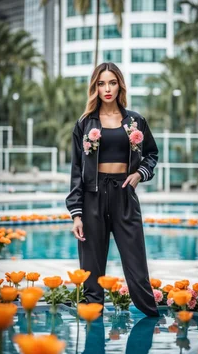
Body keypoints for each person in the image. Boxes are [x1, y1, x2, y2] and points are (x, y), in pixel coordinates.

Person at [66, 62, 159, 317]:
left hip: (124, 195)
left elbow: (151, 153)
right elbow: (76, 168)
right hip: (92, 198)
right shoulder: (84, 123)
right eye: (101, 83)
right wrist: (76, 213)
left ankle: (152, 321)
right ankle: (92, 338)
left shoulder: (135, 121)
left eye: (112, 82)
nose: (107, 89)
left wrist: (140, 174)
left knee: (137, 269)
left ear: (120, 85)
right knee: (91, 274)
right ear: (95, 87)